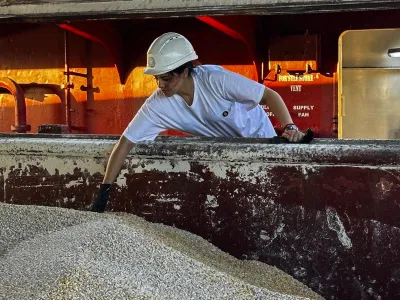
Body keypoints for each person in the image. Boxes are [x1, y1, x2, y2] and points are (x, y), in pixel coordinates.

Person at [90, 32, 305, 213]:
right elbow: (126, 143)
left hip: (259, 141)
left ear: (185, 72)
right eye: (157, 78)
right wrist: (104, 191)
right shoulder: (157, 104)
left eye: (166, 78)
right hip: (224, 152)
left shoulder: (215, 80)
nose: (160, 85)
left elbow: (269, 95)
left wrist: (289, 126)